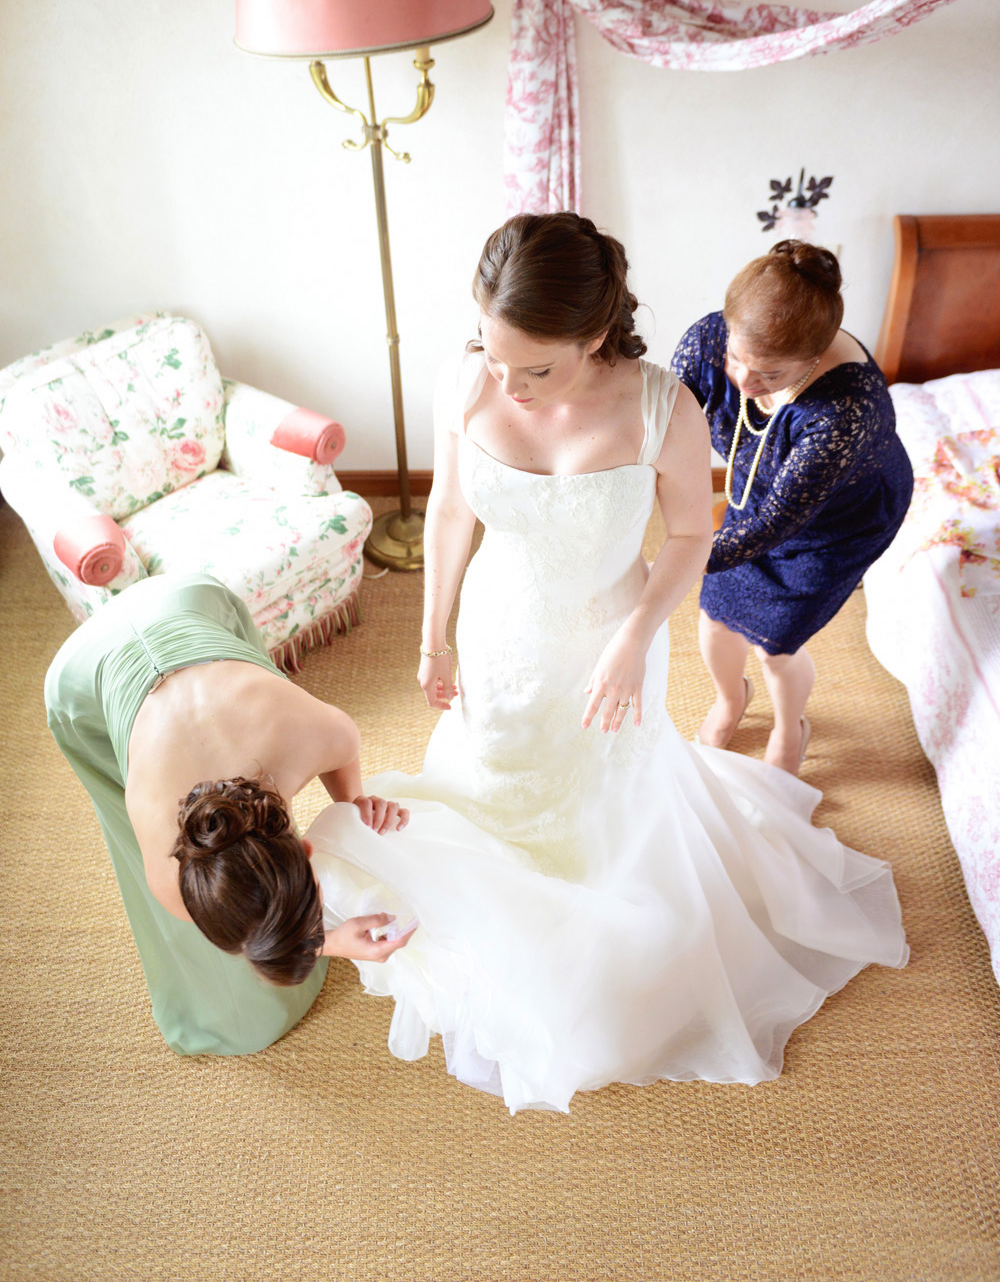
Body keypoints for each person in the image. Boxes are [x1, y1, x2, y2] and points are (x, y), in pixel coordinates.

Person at [304, 212, 908, 1114]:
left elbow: (693, 536)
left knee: (602, 789)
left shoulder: (666, 406)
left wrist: (634, 641)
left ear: (595, 337)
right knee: (500, 765)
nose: (507, 386)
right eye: (493, 354)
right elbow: (450, 515)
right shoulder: (468, 380)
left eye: (536, 369)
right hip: (501, 627)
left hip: (611, 635)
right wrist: (432, 635)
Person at [44, 571, 413, 1057]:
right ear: (303, 848)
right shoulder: (169, 876)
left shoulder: (310, 735)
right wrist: (330, 942)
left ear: (304, 848)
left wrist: (353, 809)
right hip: (82, 674)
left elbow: (344, 754)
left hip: (188, 600)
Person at [671, 240, 914, 774]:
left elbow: (777, 523)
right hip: (756, 492)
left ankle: (790, 728)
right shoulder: (708, 339)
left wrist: (673, 559)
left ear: (815, 357)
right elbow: (663, 427)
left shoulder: (845, 414)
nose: (744, 382)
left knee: (775, 645)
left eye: (771, 375)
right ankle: (732, 700)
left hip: (835, 523)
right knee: (714, 618)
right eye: (737, 358)